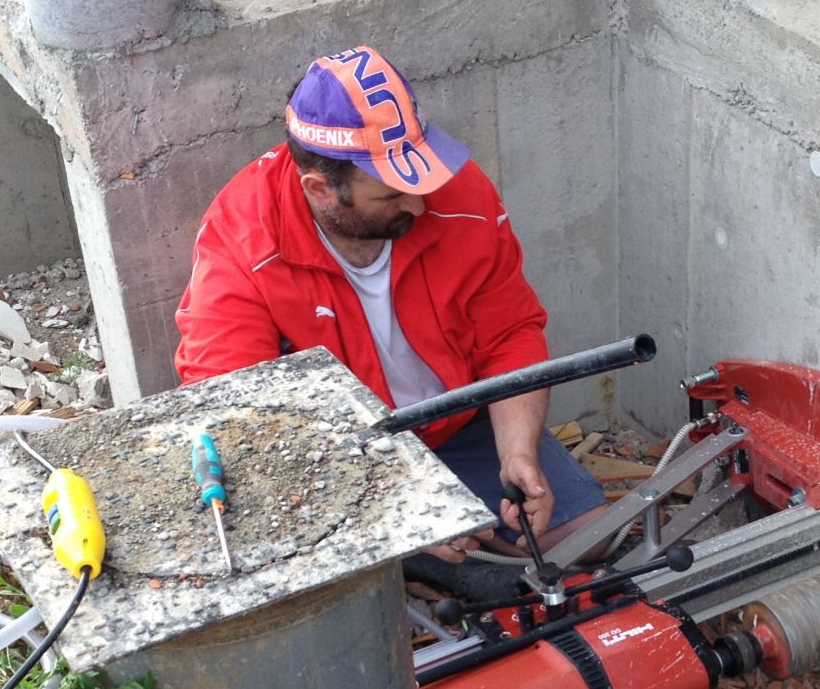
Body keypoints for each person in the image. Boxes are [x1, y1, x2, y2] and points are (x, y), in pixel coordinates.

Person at [173, 45, 604, 562]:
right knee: (352, 574)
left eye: (419, 178)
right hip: (338, 456)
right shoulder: (242, 240)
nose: (419, 203)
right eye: (391, 194)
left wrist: (517, 452)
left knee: (590, 536)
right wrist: (394, 501)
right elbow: (235, 413)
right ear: (320, 190)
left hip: (456, 421)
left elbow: (510, 332)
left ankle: (448, 558)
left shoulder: (455, 189)